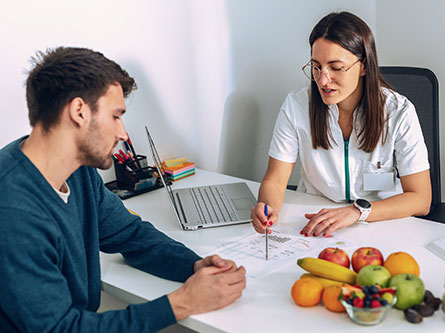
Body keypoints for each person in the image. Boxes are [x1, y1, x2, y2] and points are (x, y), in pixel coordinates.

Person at [0, 47, 246, 332]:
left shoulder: (78, 172)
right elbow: (61, 329)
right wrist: (183, 303)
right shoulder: (13, 210)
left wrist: (194, 266)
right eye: (116, 116)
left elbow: (130, 234)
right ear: (79, 111)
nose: (123, 133)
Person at [251, 12, 431, 238]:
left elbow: (421, 199)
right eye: (316, 67)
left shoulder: (399, 112)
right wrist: (268, 208)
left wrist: (357, 211)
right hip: (314, 218)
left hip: (382, 223)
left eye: (335, 67)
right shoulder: (296, 106)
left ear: (364, 65)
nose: (322, 80)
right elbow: (275, 181)